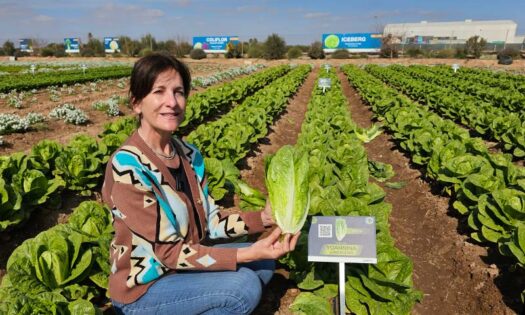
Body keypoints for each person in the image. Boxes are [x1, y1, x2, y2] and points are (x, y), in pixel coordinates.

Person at [101, 52, 300, 315]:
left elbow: (212, 224)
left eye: (179, 92)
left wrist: (262, 218)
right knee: (243, 288)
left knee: (263, 263)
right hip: (145, 289)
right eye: (159, 91)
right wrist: (244, 255)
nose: (172, 102)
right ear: (137, 103)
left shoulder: (188, 154)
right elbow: (169, 254)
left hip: (183, 267)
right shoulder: (127, 167)